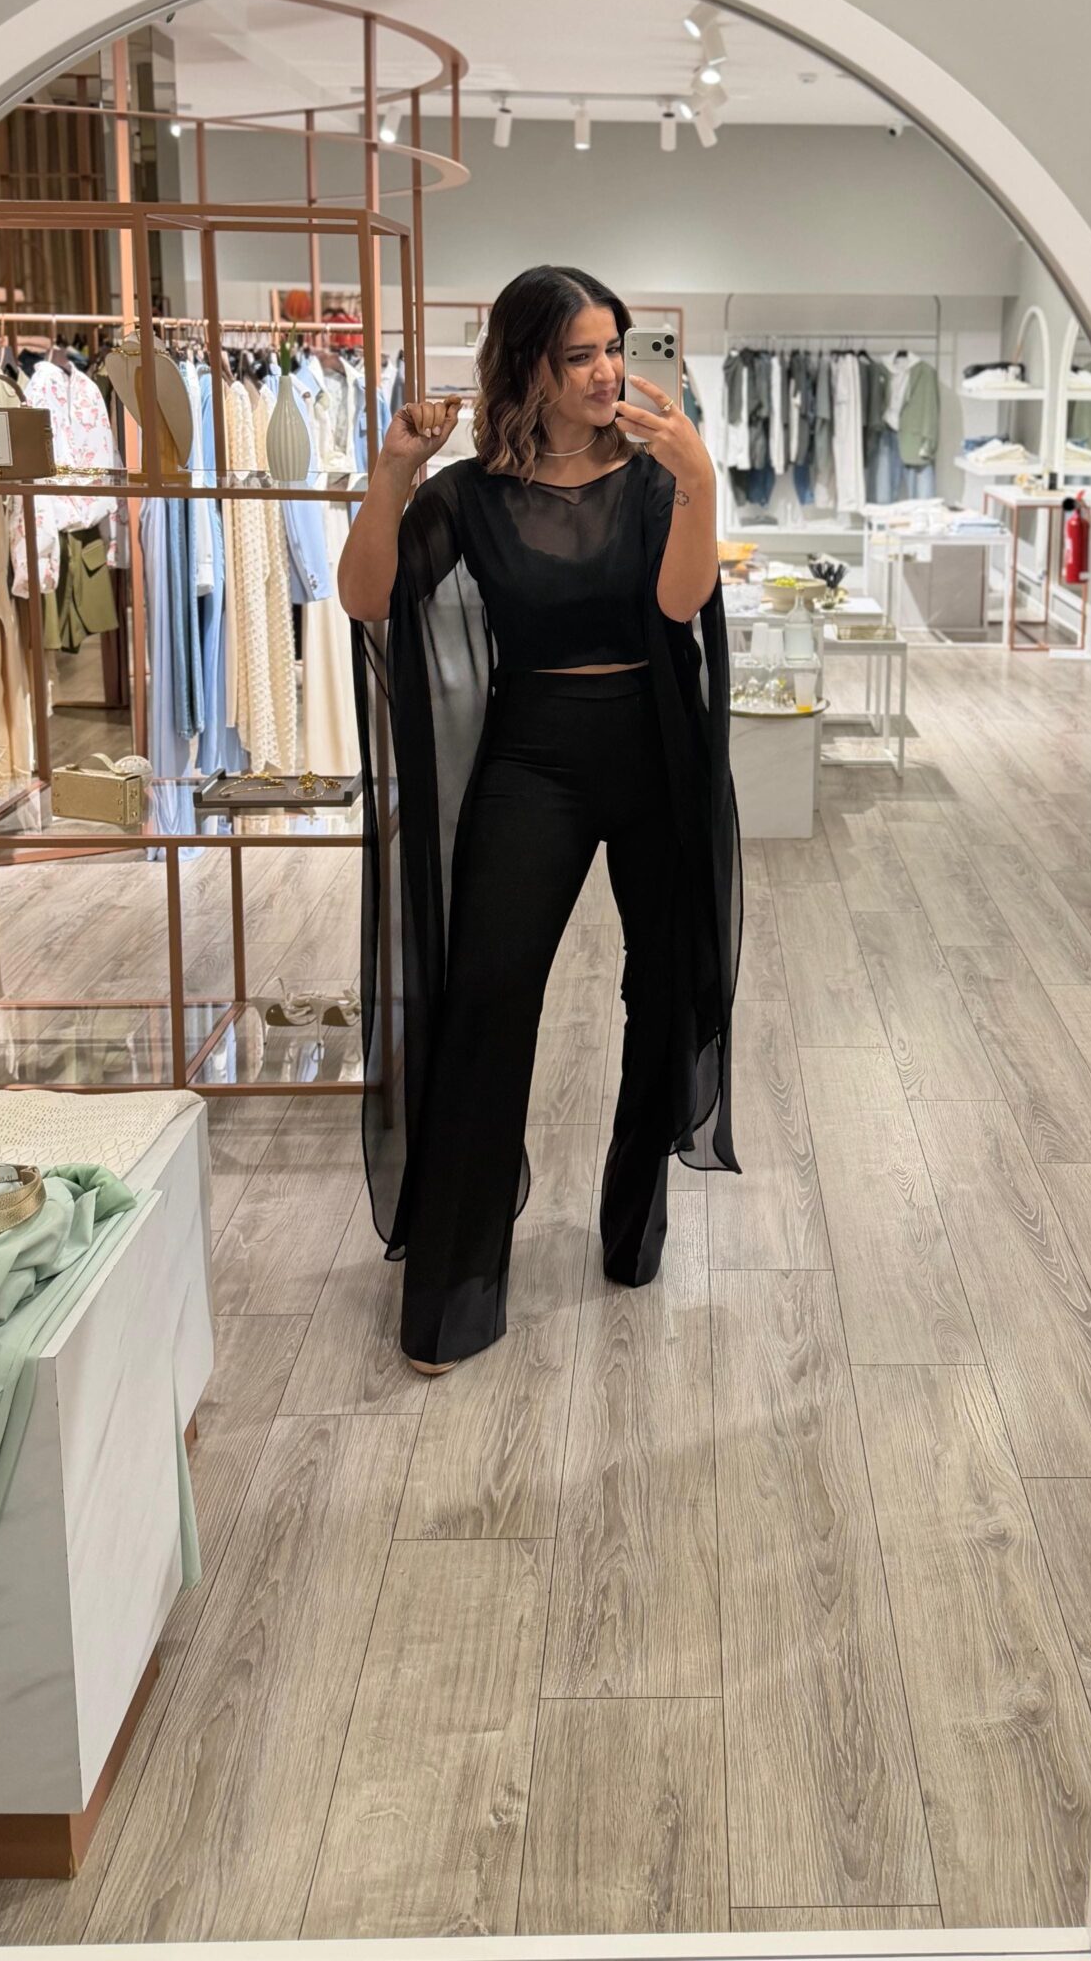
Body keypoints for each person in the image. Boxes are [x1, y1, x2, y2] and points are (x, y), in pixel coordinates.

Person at [339, 265, 741, 1374]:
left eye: (616, 347)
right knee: (487, 997)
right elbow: (366, 598)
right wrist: (391, 477)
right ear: (529, 367)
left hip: (652, 747)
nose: (608, 372)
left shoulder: (655, 476)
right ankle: (456, 1291)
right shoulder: (469, 495)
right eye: (581, 354)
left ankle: (632, 1228)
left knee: (663, 991)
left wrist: (699, 481)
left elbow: (680, 603)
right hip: (533, 756)